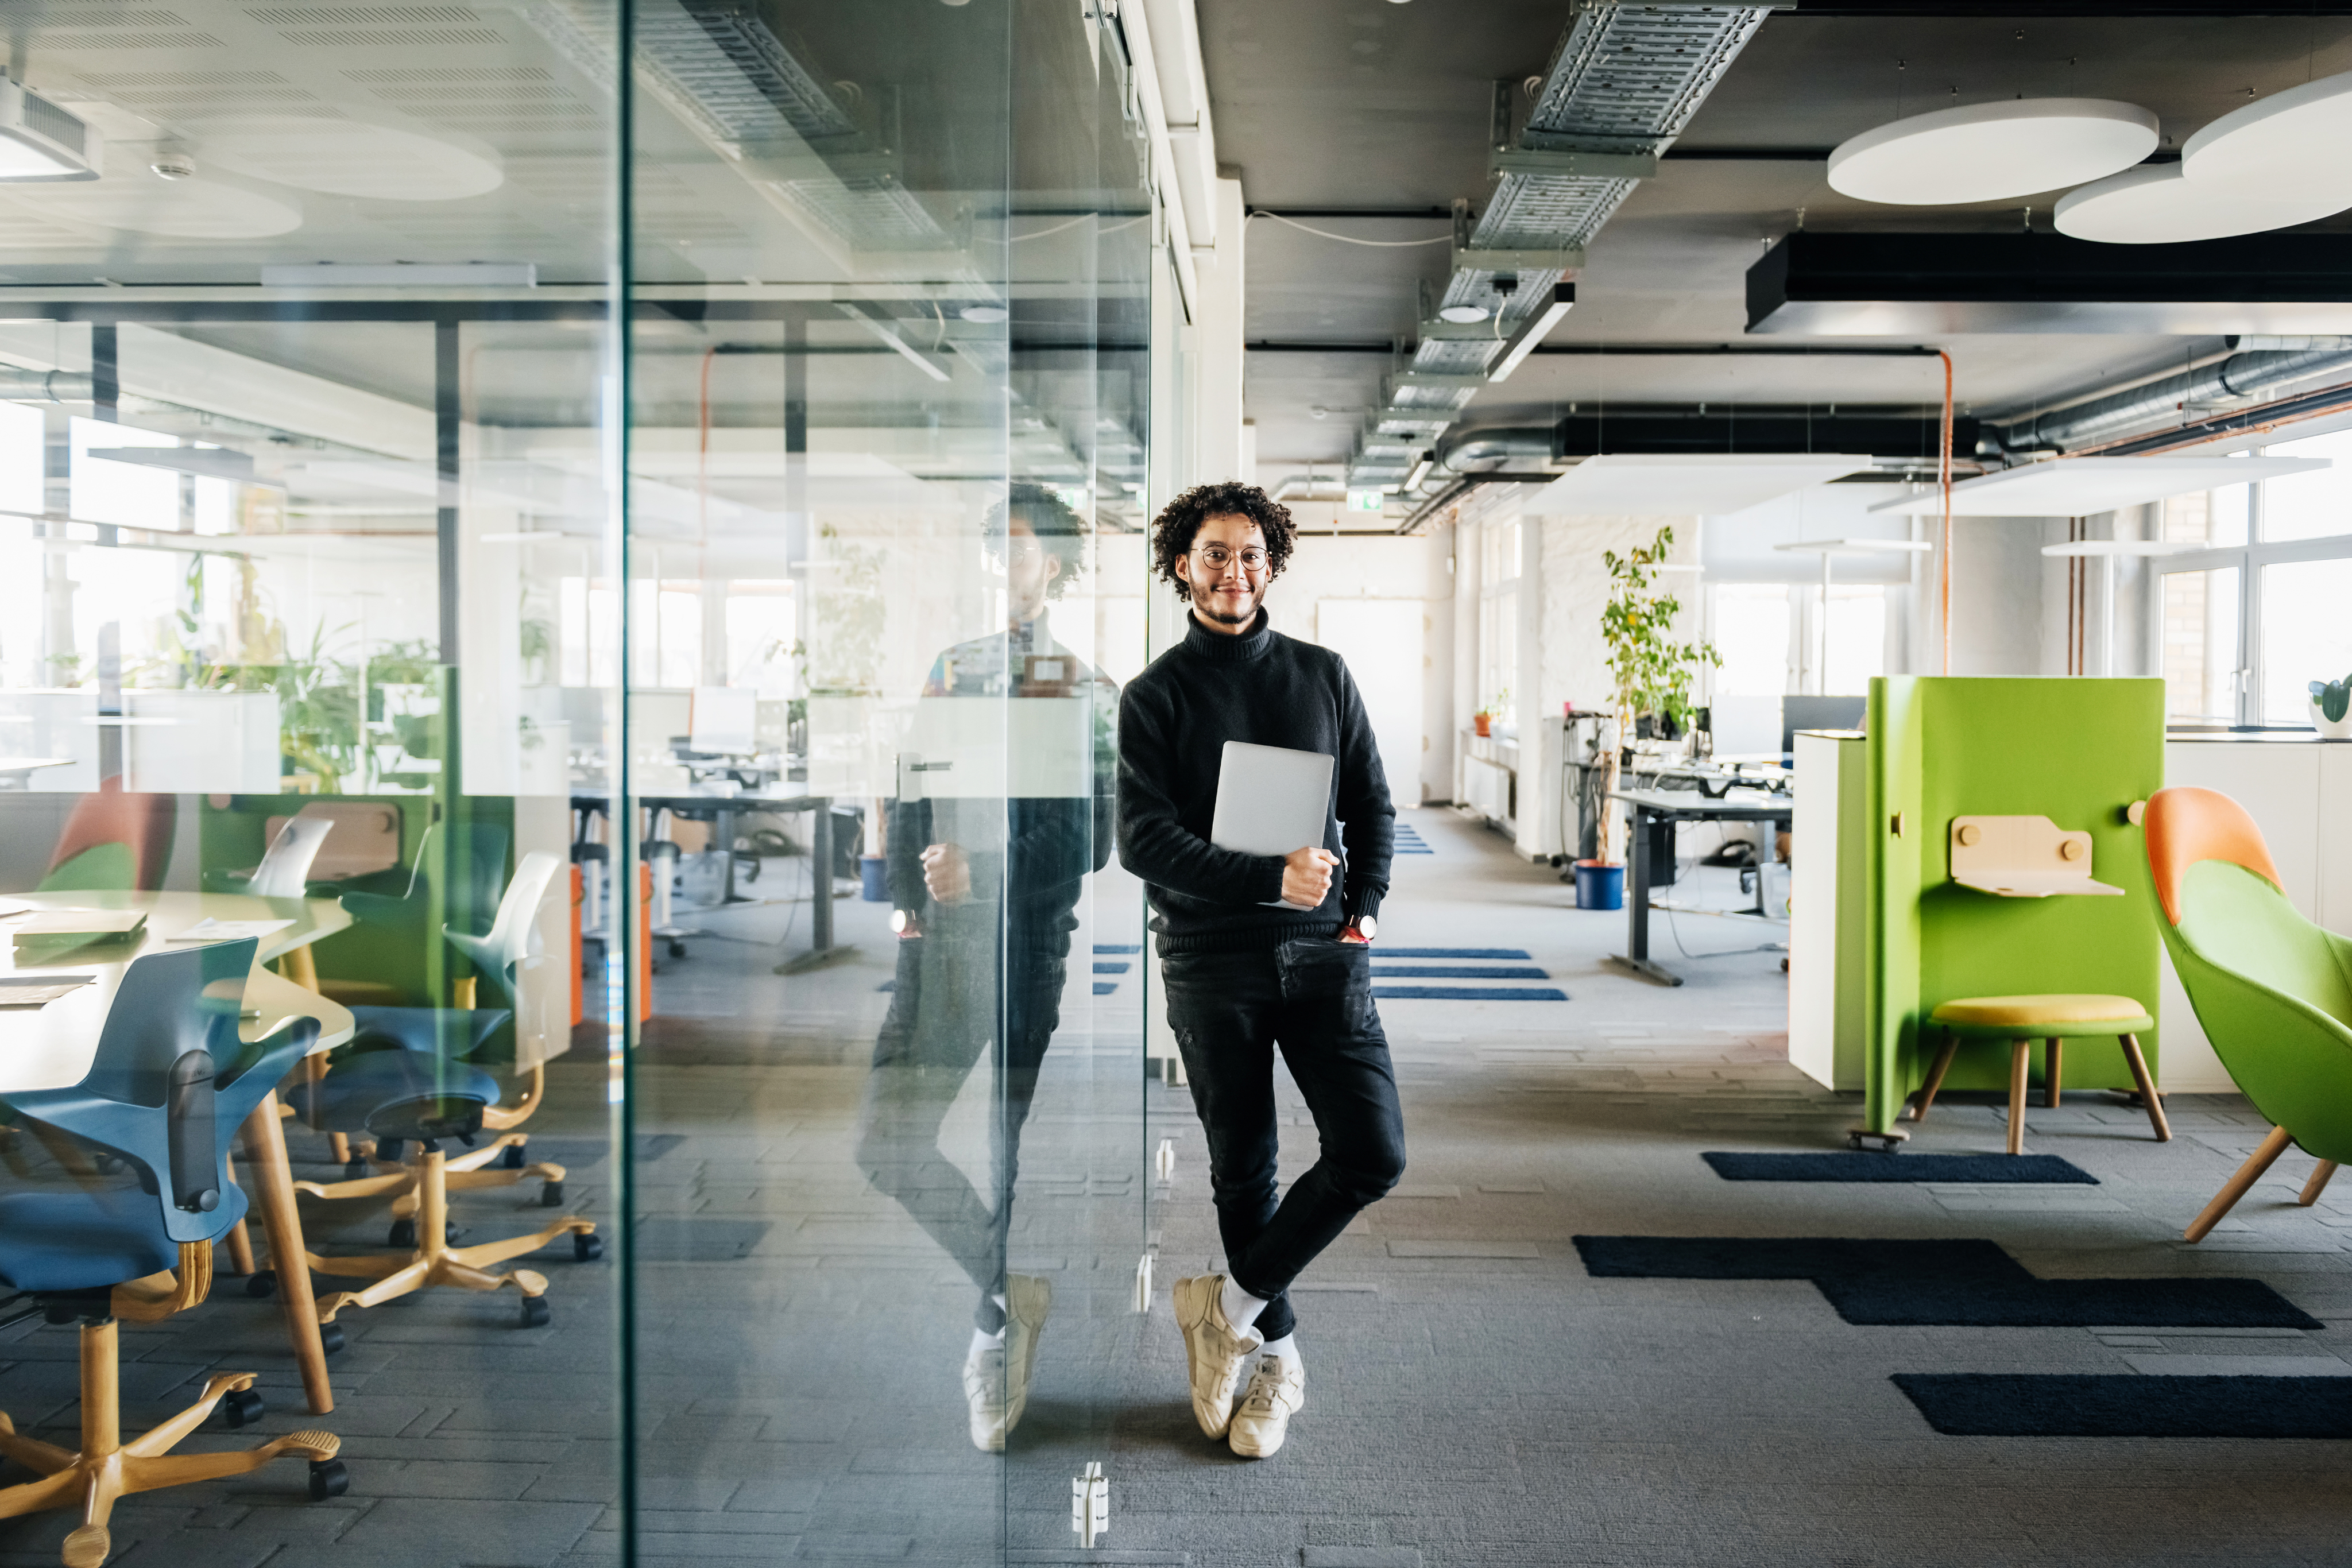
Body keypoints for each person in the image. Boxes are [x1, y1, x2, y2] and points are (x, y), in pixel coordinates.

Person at [1116, 479, 1405, 1460]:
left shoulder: (1322, 676)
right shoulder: (1154, 695)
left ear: (1271, 564)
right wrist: (1263, 876)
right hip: (1209, 960)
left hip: (1323, 953)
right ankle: (1280, 1364)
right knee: (1246, 1171)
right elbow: (1143, 842)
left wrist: (1362, 906)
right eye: (1212, 554)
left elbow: (1372, 805)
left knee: (1372, 1153)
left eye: (1248, 553)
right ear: (1182, 567)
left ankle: (1226, 1307)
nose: (1231, 571)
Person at [854, 485, 1116, 1451]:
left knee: (1010, 1155)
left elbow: (1092, 837)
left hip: (1027, 942)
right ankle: (1005, 1288)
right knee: (886, 1142)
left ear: (1052, 564)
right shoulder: (952, 669)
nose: (1001, 566)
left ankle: (993, 1331)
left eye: (1018, 550)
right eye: (989, 550)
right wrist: (904, 895)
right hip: (940, 943)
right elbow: (911, 781)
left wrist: (986, 867)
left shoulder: (1083, 685)